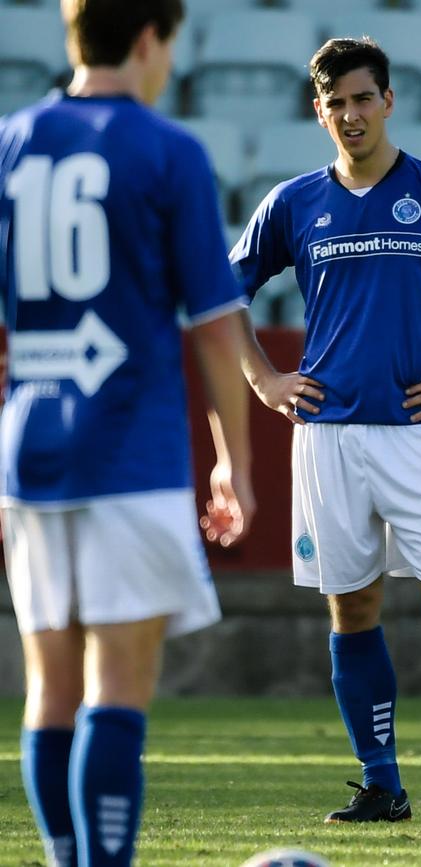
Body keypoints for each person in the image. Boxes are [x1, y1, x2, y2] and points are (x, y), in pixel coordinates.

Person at [224, 37, 421, 826]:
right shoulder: (294, 202)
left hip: (415, 435)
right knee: (353, 610)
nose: (351, 113)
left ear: (389, 100)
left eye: (363, 98)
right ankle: (382, 784)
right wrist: (263, 377)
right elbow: (218, 294)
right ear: (319, 111)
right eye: (335, 102)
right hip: (326, 438)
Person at [0, 1, 255, 864]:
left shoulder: (9, 141)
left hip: (29, 452)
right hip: (129, 449)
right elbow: (218, 326)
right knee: (117, 689)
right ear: (152, 38)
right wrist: (234, 465)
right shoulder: (167, 149)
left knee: (50, 691)